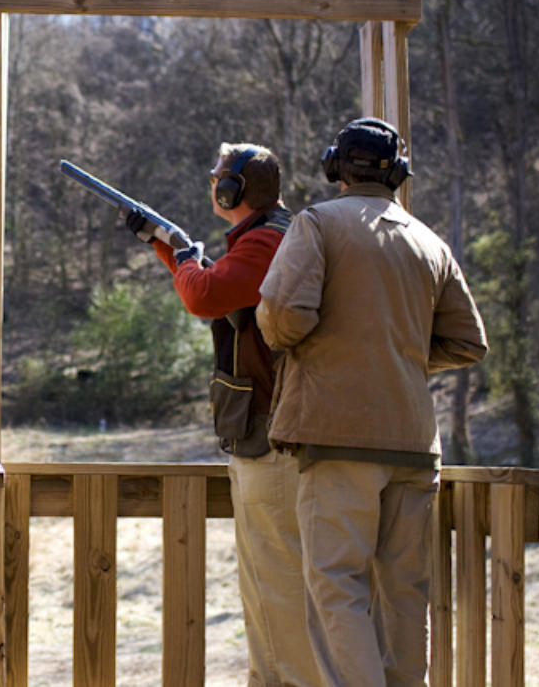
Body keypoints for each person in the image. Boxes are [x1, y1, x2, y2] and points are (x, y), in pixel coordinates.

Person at [255, 118, 488, 687]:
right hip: (414, 445)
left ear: (337, 166)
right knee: (406, 594)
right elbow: (467, 342)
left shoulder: (316, 223)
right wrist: (394, 358)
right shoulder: (429, 241)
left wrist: (327, 350)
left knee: (336, 591)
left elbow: (285, 318)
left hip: (338, 440)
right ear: (399, 174)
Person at [125, 142, 320, 687]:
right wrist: (167, 248)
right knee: (265, 582)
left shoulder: (265, 241)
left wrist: (183, 256)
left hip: (273, 434)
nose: (212, 185)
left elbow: (205, 294)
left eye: (218, 179)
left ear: (233, 190)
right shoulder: (269, 238)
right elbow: (217, 286)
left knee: (278, 584)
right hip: (269, 430)